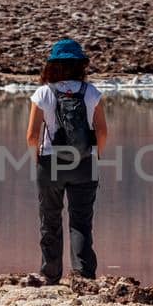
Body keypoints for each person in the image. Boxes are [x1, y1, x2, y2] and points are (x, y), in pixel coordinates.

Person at [25, 38, 108, 282]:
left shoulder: (43, 93)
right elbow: (102, 132)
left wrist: (38, 160)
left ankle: (50, 274)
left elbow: (31, 135)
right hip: (84, 163)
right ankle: (83, 274)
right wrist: (96, 156)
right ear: (79, 65)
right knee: (81, 222)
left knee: (50, 219)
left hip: (50, 164)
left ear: (52, 65)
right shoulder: (91, 93)